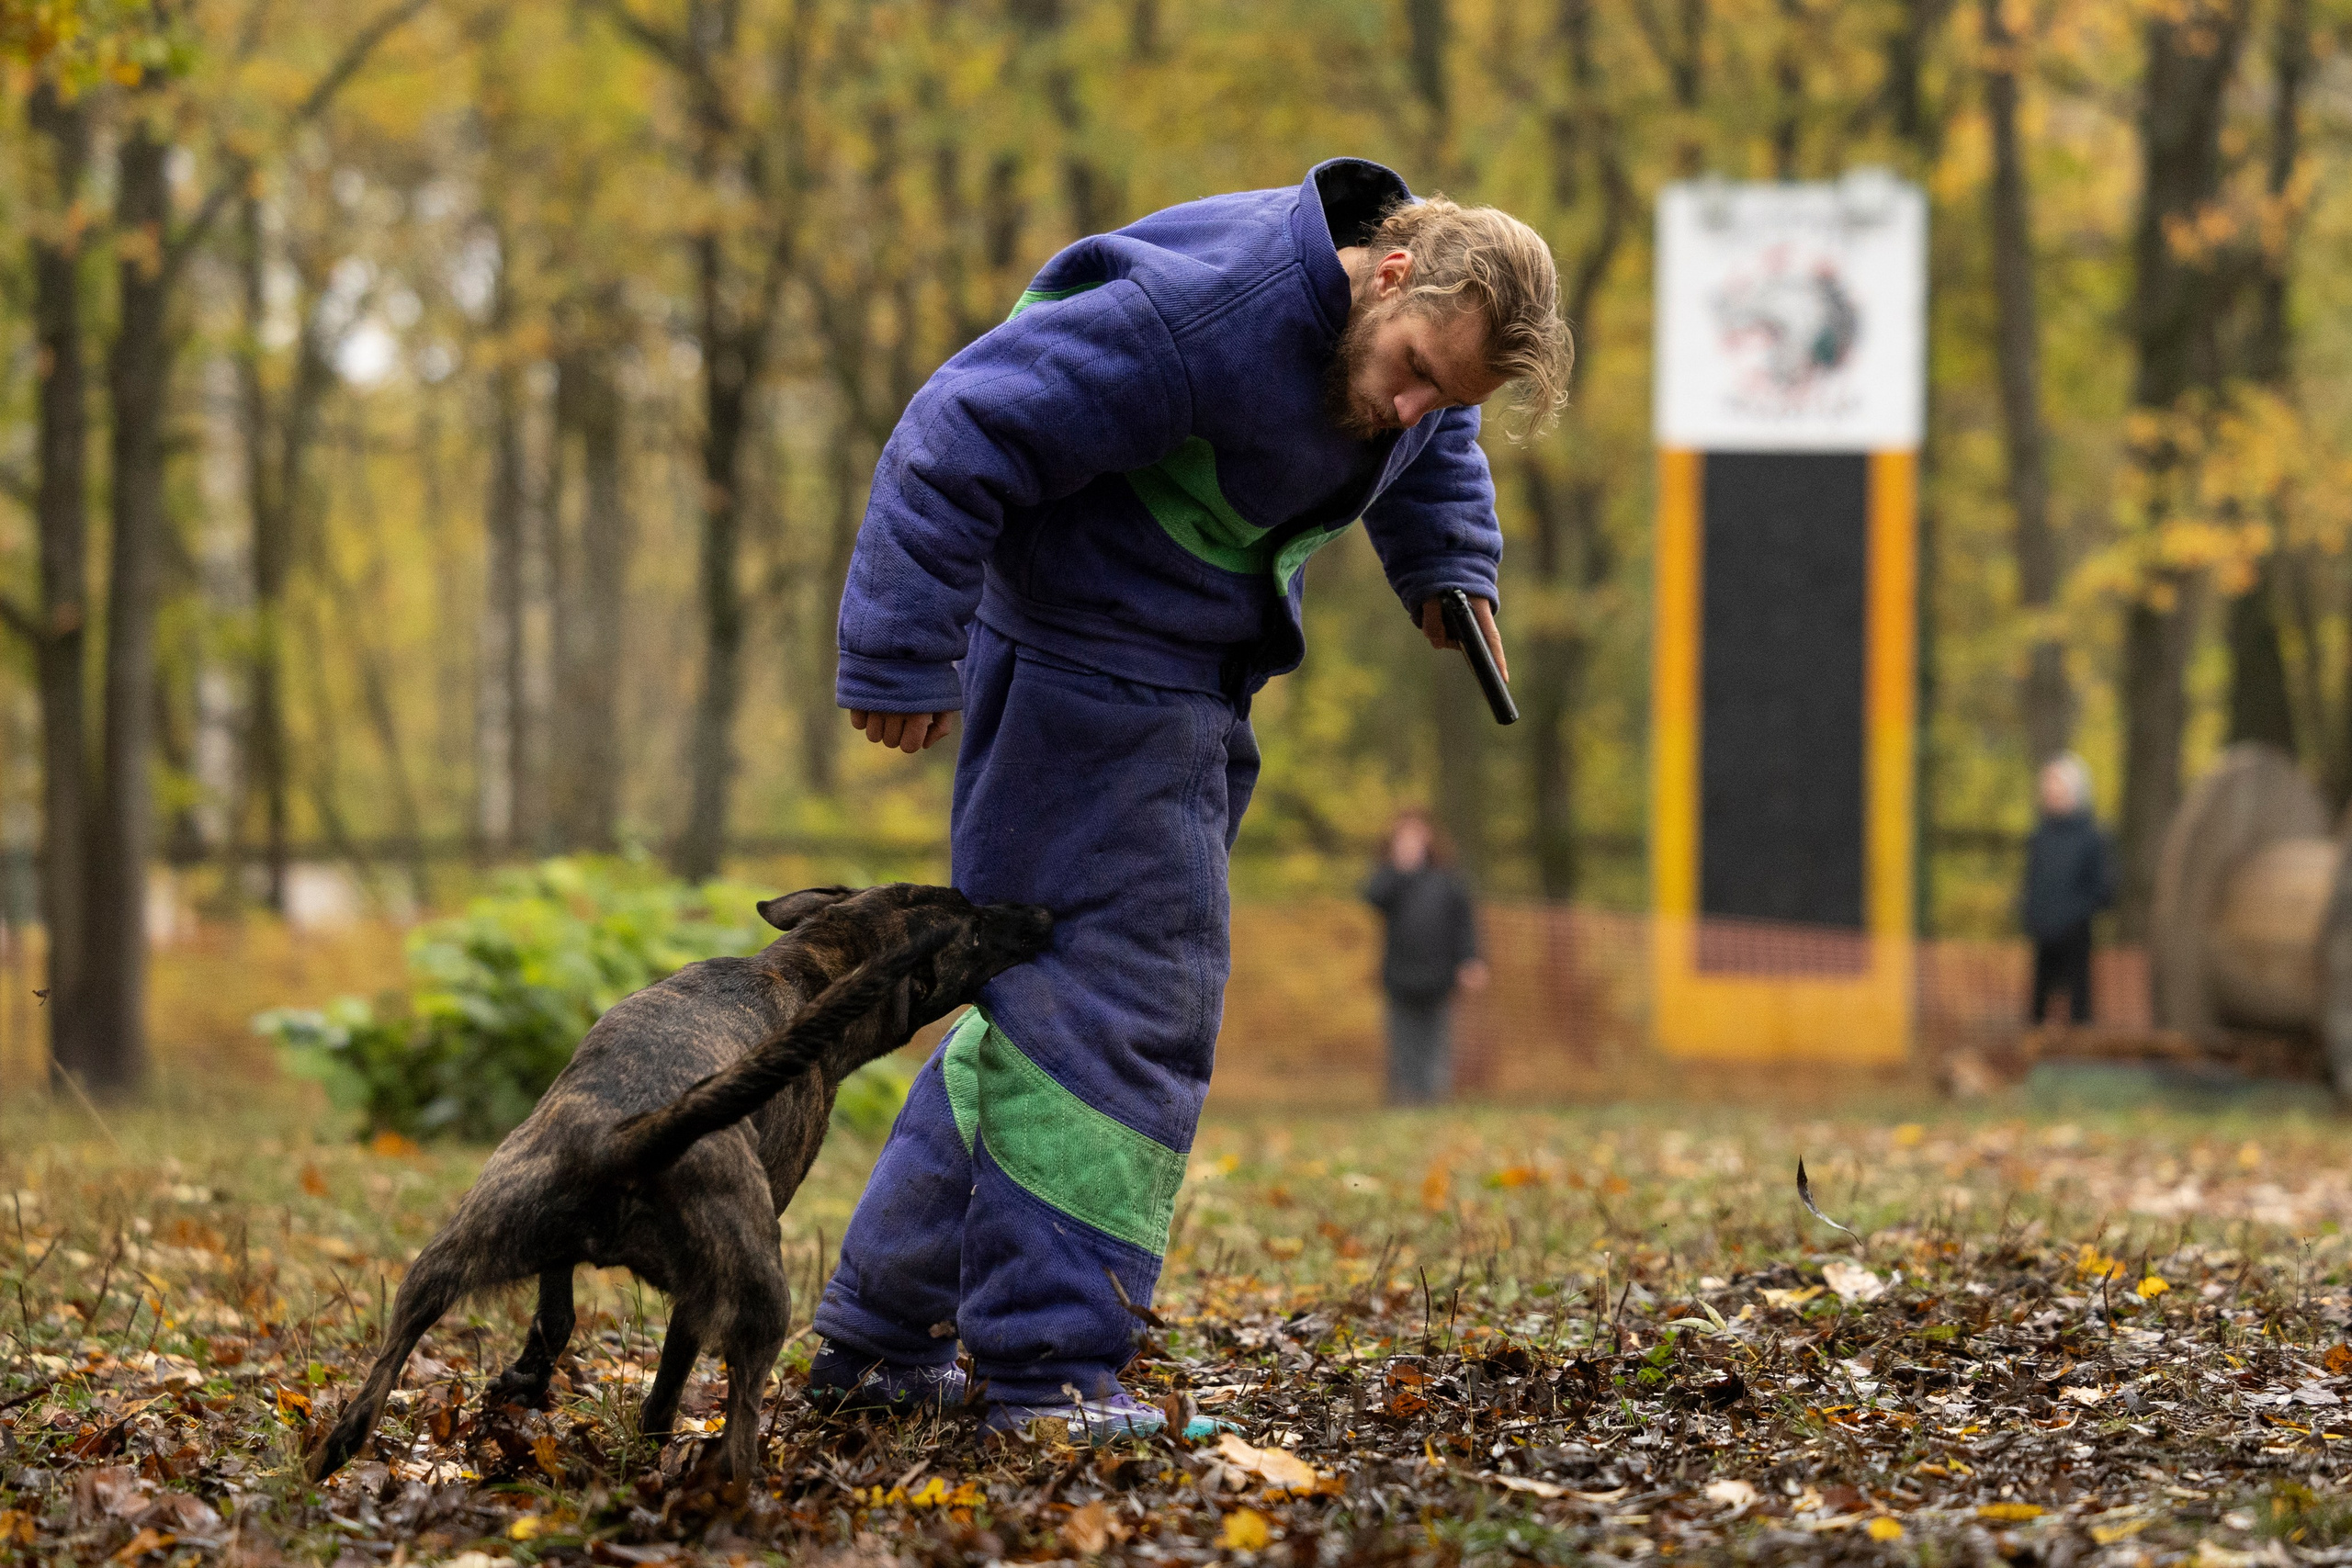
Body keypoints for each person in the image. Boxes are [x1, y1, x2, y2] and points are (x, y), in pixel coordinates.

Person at [806, 158, 1571, 1439]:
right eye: (1416, 369)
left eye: (1448, 393)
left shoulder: (1402, 348)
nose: (1412, 409)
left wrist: (1449, 560)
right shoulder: (1199, 320)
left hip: (1184, 685)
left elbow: (1436, 437)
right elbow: (959, 424)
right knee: (1126, 1008)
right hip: (1082, 684)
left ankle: (882, 1342)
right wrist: (898, 650)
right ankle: (1051, 1372)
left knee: (1036, 1006)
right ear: (1390, 272)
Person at [1362, 808, 1487, 1105]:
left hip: (1439, 976)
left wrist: (1471, 960)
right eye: (1402, 838)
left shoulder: (1447, 881)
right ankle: (1404, 1100)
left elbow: (1464, 925)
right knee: (1403, 1041)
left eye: (1414, 837)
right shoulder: (1391, 879)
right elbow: (1372, 897)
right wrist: (1398, 869)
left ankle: (1433, 1100)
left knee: (1436, 1040)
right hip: (1399, 976)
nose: (1409, 844)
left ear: (1428, 840)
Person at [2020, 752, 2116, 1025]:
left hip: (2076, 936)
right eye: (2048, 787)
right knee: (2038, 1010)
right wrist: (2030, 914)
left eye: (2057, 786)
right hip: (2043, 935)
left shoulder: (2094, 837)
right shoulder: (2040, 837)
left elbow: (2104, 890)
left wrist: (2071, 915)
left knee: (2078, 1010)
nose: (2050, 793)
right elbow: (2031, 883)